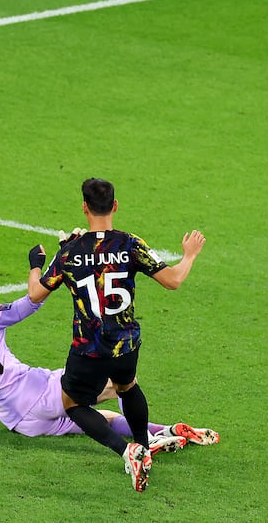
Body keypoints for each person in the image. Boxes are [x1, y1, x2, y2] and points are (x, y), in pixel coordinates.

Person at [0, 272, 219, 459]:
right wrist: (48, 271)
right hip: (40, 391)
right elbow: (28, 304)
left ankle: (167, 434)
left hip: (21, 423)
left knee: (100, 420)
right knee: (119, 381)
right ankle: (149, 441)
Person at [27, 178, 208, 492]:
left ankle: (128, 451)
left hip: (88, 350)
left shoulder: (70, 250)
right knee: (127, 386)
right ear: (115, 206)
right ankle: (143, 445)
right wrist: (189, 254)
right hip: (125, 345)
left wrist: (36, 264)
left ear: (84, 207)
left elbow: (35, 294)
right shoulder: (130, 243)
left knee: (72, 403)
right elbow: (173, 281)